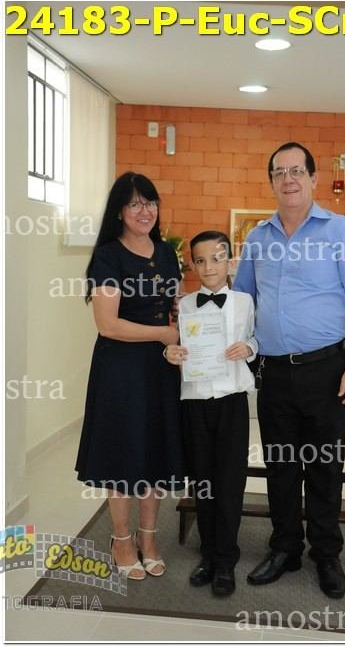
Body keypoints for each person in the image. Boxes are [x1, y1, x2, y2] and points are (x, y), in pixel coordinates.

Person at [232, 142, 345, 599]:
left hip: (326, 370)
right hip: (273, 373)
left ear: (314, 178)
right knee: (280, 466)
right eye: (279, 172)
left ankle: (327, 554)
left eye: (297, 171)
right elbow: (242, 302)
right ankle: (285, 548)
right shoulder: (258, 238)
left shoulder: (340, 230)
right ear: (271, 182)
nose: (288, 179)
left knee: (324, 467)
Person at [75, 172, 185, 580]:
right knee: (124, 455)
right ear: (119, 211)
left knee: (154, 452)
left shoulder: (167, 252)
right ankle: (121, 539)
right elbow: (108, 325)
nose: (145, 211)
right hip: (121, 369)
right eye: (135, 203)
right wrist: (162, 334)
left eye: (150, 202)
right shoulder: (109, 256)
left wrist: (190, 320)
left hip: (161, 368)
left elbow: (175, 306)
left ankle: (148, 537)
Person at [165, 231, 257, 597]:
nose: (209, 267)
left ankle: (226, 559)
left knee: (230, 481)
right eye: (201, 261)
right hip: (195, 401)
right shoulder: (184, 305)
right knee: (202, 479)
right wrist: (170, 353)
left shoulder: (246, 302)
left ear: (230, 262)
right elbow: (173, 345)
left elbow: (259, 338)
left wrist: (249, 347)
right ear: (192, 265)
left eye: (217, 259)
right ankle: (207, 553)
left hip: (232, 401)